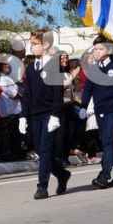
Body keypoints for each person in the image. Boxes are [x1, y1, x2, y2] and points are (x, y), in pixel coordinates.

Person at [20, 29, 70, 199]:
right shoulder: (32, 68)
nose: (31, 47)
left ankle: (42, 185)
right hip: (35, 115)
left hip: (50, 114)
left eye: (35, 44)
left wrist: (56, 115)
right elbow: (27, 94)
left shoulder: (54, 66)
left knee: (46, 148)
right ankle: (62, 174)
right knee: (42, 151)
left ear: (46, 45)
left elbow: (58, 93)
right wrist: (22, 116)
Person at [81, 35, 113, 189]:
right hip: (99, 110)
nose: (97, 51)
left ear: (109, 50)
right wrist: (83, 106)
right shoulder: (95, 69)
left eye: (100, 48)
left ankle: (105, 175)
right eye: (95, 49)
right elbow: (88, 89)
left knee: (108, 140)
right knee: (107, 142)